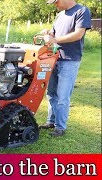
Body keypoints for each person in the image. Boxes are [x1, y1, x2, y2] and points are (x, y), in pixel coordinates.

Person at [38, 0, 92, 137]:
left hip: (70, 60)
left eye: (55, 2)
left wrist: (55, 40)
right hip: (54, 58)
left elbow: (78, 34)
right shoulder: (60, 15)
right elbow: (54, 34)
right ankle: (51, 121)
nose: (55, 5)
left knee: (62, 96)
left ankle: (60, 127)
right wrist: (48, 33)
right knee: (51, 93)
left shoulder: (82, 11)